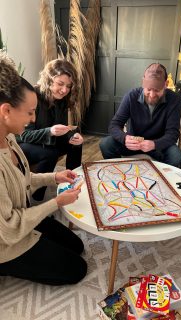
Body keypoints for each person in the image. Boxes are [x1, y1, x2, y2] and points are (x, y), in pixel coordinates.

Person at [0, 55, 87, 285]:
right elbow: (9, 229)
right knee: (78, 269)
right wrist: (55, 203)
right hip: (6, 241)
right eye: (30, 112)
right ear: (6, 110)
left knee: (77, 246)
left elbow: (23, 178)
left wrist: (54, 177)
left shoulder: (8, 138)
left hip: (22, 214)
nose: (34, 118)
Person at [17, 59, 83, 201]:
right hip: (24, 144)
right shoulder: (32, 95)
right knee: (50, 153)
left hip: (47, 140)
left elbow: (62, 128)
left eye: (68, 86)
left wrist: (73, 135)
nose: (64, 90)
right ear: (48, 80)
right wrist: (50, 131)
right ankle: (36, 196)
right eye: (60, 84)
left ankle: (73, 181)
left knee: (76, 143)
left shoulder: (63, 99)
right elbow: (24, 135)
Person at [99, 63, 181, 167]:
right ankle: (120, 172)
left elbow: (173, 133)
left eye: (157, 90)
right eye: (148, 89)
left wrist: (154, 144)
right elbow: (114, 125)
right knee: (106, 144)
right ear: (143, 83)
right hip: (134, 145)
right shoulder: (131, 96)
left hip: (159, 145)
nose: (152, 95)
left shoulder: (174, 99)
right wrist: (124, 138)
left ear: (165, 84)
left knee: (176, 157)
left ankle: (162, 180)